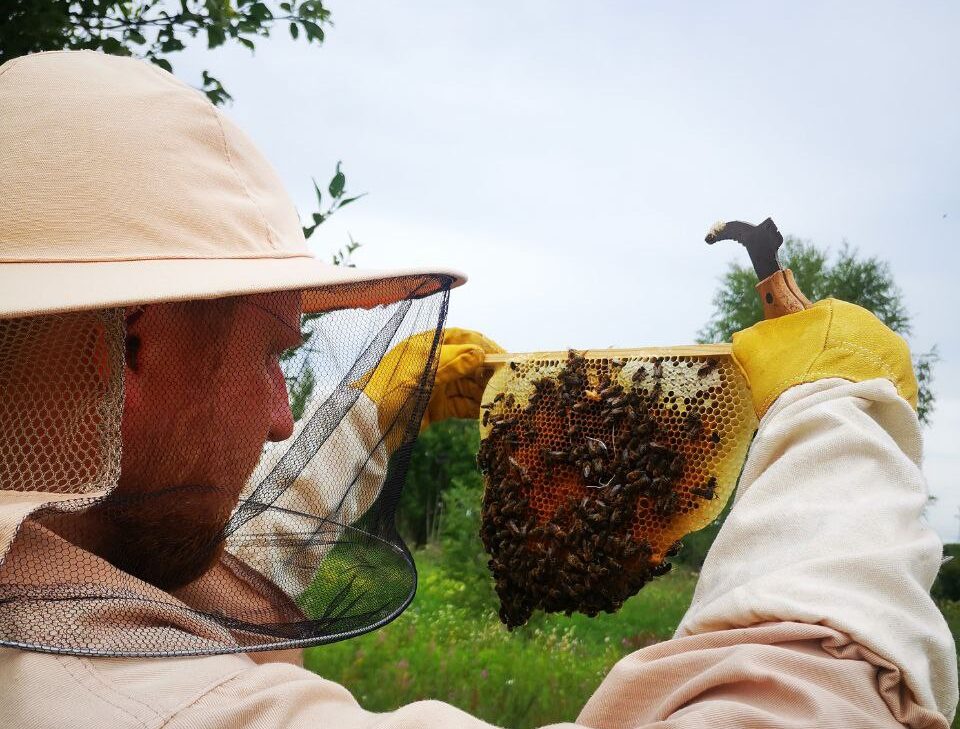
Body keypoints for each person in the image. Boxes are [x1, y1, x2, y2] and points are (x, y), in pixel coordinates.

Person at [0, 51, 955, 729]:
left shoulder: (52, 574)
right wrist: (841, 418)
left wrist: (366, 417)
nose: (286, 414)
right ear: (133, 344)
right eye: (273, 357)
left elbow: (204, 597)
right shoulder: (132, 703)